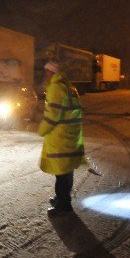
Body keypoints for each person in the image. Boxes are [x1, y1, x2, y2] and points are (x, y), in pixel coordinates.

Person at [37, 61, 85, 215]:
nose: (45, 74)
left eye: (46, 71)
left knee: (62, 173)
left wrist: (42, 130)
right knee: (65, 170)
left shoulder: (56, 87)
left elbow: (53, 114)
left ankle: (63, 205)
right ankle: (61, 199)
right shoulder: (69, 86)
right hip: (71, 135)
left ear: (52, 73)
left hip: (61, 137)